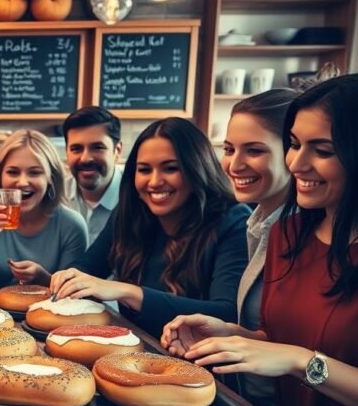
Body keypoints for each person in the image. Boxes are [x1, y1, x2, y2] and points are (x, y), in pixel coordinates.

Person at [161, 74, 358, 406]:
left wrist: (300, 361)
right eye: (294, 145)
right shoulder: (287, 234)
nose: (296, 162)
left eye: (322, 150)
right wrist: (232, 335)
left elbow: (296, 353)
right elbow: (279, 340)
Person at [49, 117, 250, 337]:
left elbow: (226, 313)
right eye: (144, 170)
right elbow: (87, 267)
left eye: (170, 168)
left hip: (196, 362)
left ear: (197, 169)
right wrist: (70, 275)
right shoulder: (130, 213)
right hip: (133, 349)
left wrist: (129, 292)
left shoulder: (233, 221)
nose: (154, 182)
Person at [218, 89, 299, 406]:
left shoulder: (303, 232)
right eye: (228, 149)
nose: (235, 164)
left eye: (254, 150)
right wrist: (235, 332)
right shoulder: (260, 223)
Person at [0, 129, 87, 292]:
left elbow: (74, 295)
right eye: (13, 172)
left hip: (48, 314)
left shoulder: (71, 225)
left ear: (50, 177)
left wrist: (44, 278)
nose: (22, 182)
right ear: (0, 176)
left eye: (35, 172)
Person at [59, 106, 124, 244]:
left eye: (97, 148)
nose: (85, 158)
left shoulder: (139, 197)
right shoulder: (55, 197)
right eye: (76, 149)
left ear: (117, 151)